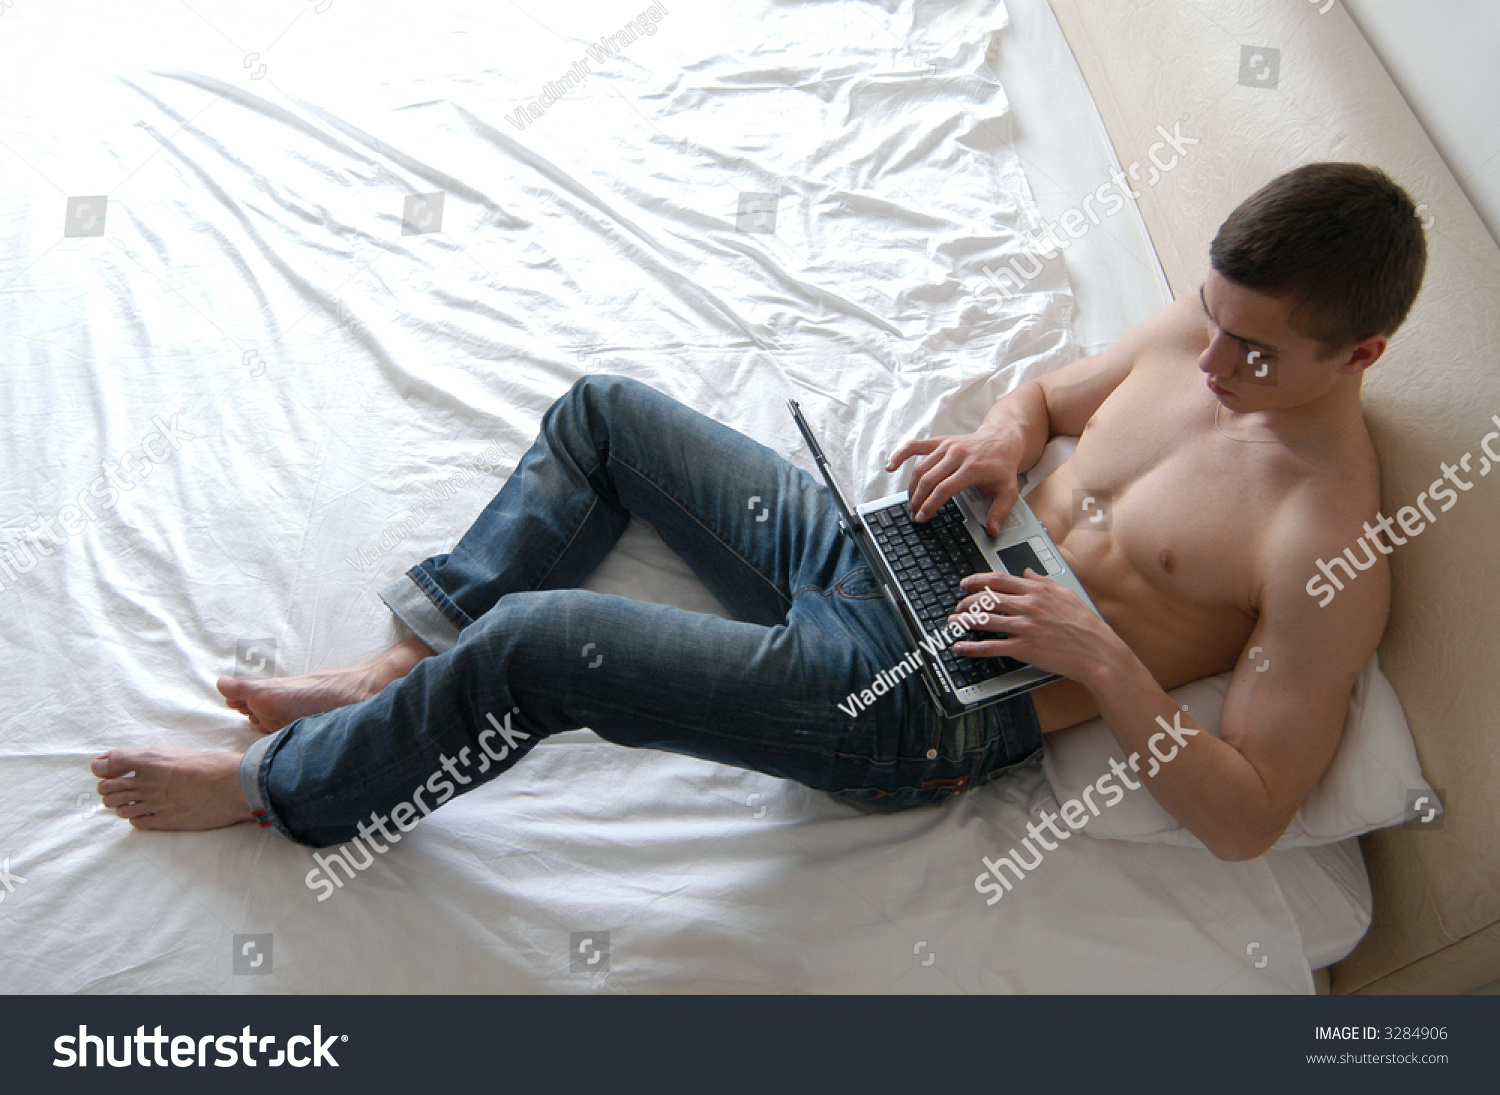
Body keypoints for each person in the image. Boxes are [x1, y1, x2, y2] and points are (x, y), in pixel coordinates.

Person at [91, 162, 1425, 861]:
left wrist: (1103, 659)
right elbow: (1043, 394)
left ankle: (281, 798)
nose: (1209, 363)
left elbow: (1251, 817)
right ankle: (395, 670)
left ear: (1359, 355)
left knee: (549, 645)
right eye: (1213, 317)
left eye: (1255, 355)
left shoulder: (1325, 542)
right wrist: (999, 444)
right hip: (889, 557)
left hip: (915, 702)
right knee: (603, 412)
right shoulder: (1211, 325)